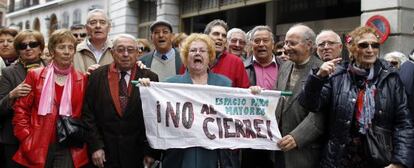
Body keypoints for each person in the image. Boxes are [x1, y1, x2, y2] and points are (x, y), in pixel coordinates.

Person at [299, 26, 414, 168]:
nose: (370, 50)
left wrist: (399, 162)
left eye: (375, 45)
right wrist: (318, 78)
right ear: (352, 49)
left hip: (379, 158)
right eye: (364, 45)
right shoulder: (337, 75)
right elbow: (310, 104)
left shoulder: (391, 77)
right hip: (339, 159)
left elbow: (404, 122)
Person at [142, 33, 229, 168]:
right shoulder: (170, 84)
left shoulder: (224, 84)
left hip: (212, 155)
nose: (197, 53)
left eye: (202, 50)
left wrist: (253, 93)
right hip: (178, 156)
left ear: (210, 56)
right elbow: (155, 117)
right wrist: (147, 87)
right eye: (193, 50)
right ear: (186, 56)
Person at [12, 29, 89, 168]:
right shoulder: (34, 75)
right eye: (61, 47)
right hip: (38, 142)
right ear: (52, 51)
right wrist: (26, 137)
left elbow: (86, 113)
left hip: (68, 144)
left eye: (70, 48)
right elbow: (21, 110)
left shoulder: (82, 79)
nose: (67, 51)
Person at [82, 34, 159, 168]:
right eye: (120, 49)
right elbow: (88, 115)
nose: (125, 54)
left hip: (137, 155)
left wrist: (150, 152)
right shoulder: (97, 76)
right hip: (104, 155)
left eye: (130, 50)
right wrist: (95, 147)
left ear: (137, 53)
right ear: (112, 52)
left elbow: (155, 118)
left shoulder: (150, 78)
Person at [275, 24, 325, 168]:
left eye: (292, 43)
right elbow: (278, 99)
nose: (286, 47)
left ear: (309, 45)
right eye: (285, 42)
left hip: (304, 151)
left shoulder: (322, 70)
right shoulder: (285, 66)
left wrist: (297, 137)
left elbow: (320, 113)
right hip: (279, 148)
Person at [0, 30, 47, 168]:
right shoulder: (8, 72)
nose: (28, 48)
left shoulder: (53, 68)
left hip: (45, 137)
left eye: (33, 44)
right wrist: (12, 95)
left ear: (41, 48)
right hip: (14, 140)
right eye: (22, 46)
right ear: (18, 50)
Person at [242, 25, 284, 168]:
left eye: (265, 40)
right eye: (257, 41)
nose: (261, 44)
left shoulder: (287, 66)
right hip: (251, 135)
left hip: (280, 132)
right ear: (250, 44)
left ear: (272, 44)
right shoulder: (242, 68)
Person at [204, 19, 250, 88]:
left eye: (223, 36)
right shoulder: (193, 58)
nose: (220, 38)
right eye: (216, 34)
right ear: (206, 37)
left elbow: (244, 92)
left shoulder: (236, 62)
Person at [73, 9, 113, 73]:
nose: (98, 26)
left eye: (102, 22)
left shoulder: (117, 50)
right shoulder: (74, 51)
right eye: (93, 23)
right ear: (86, 28)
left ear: (109, 28)